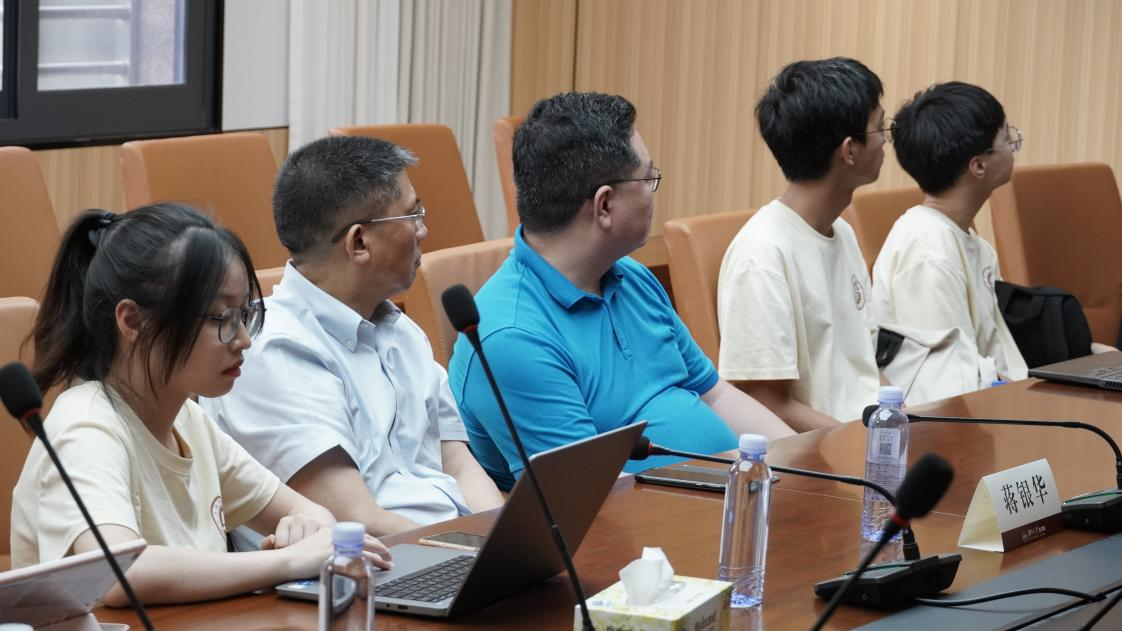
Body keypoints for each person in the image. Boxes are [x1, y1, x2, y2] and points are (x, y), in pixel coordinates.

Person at [10, 204, 391, 605]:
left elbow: (314, 515)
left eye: (244, 314)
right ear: (133, 322)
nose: (243, 339)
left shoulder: (187, 420)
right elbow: (119, 573)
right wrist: (287, 561)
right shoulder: (86, 426)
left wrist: (306, 530)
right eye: (221, 318)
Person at [448, 92, 793, 491]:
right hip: (652, 522)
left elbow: (713, 394)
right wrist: (736, 490)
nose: (653, 191)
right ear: (605, 206)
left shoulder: (630, 276)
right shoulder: (512, 336)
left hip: (731, 497)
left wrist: (800, 464)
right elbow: (590, 496)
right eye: (647, 179)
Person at [200, 136, 503, 539]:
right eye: (412, 215)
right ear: (359, 242)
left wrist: (503, 538)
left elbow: (459, 465)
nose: (423, 230)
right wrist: (474, 551)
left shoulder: (401, 330)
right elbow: (356, 520)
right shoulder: (275, 352)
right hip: (377, 563)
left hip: (450, 548)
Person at [716, 57, 885, 429]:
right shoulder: (763, 254)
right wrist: (867, 443)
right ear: (849, 150)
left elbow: (865, 371)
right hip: (821, 454)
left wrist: (903, 423)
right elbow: (768, 406)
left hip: (865, 437)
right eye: (880, 127)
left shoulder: (842, 231)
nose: (886, 138)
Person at [872, 81, 1028, 385]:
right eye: (1007, 138)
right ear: (979, 165)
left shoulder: (966, 240)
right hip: (961, 407)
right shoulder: (928, 251)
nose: (1013, 146)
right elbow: (949, 381)